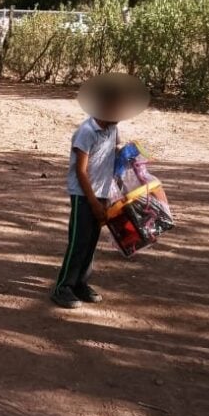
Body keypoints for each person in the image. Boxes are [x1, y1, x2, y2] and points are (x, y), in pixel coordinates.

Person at [52, 73, 150, 310]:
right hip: (83, 195)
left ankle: (80, 283)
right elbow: (81, 170)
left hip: (103, 193)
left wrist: (128, 155)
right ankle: (63, 286)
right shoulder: (86, 132)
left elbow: (110, 155)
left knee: (91, 241)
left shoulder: (112, 129)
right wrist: (93, 202)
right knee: (78, 241)